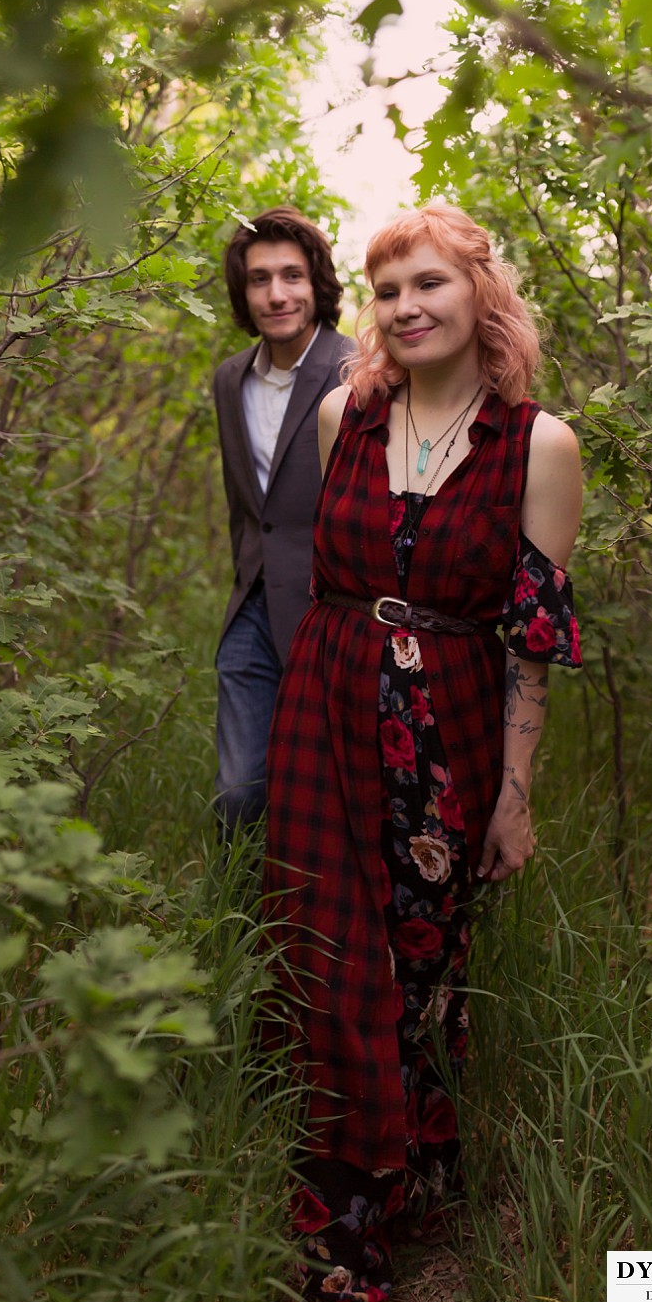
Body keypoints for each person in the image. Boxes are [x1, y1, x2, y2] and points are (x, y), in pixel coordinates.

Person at [263, 204, 583, 1302]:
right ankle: (341, 1230)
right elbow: (310, 572)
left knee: (421, 960)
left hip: (447, 719)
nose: (407, 307)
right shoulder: (341, 415)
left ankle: (422, 1167)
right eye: (389, 290)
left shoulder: (539, 442)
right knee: (325, 952)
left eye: (430, 283)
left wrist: (517, 795)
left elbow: (533, 638)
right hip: (328, 699)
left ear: (479, 293)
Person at [213, 207, 353, 835]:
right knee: (241, 790)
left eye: (292, 276)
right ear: (242, 292)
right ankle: (231, 922)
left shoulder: (361, 372)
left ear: (316, 281)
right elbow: (249, 509)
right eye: (259, 278)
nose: (277, 294)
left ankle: (305, 922)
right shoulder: (228, 380)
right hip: (251, 608)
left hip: (333, 613)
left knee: (323, 793)